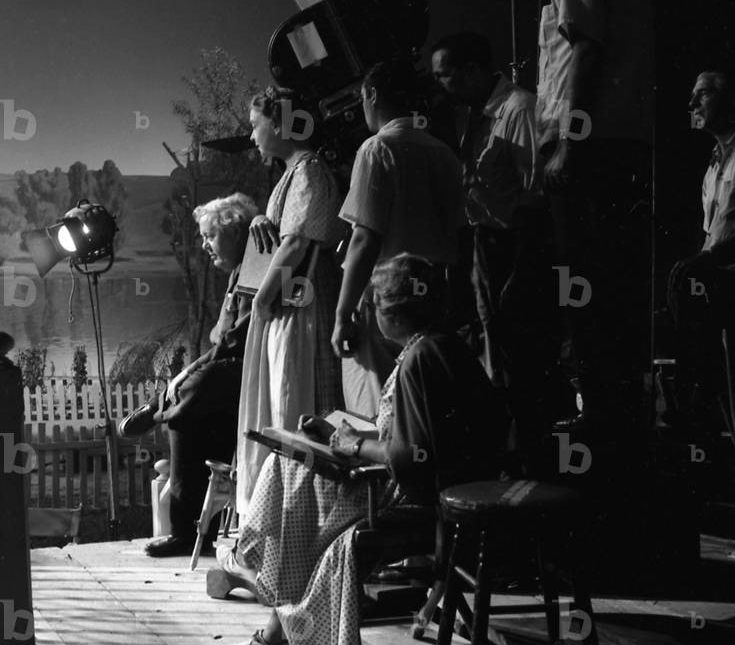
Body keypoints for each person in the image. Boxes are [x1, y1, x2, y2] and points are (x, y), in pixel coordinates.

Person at [221, 257, 503, 645]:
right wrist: (348, 432)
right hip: (439, 487)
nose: (365, 316)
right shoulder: (441, 346)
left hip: (417, 500)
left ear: (391, 314)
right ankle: (281, 623)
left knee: (290, 474)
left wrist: (355, 445)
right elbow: (418, 436)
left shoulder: (417, 360)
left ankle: (285, 628)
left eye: (370, 306)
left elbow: (411, 458)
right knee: (293, 470)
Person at [531, 0, 654, 443]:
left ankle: (599, 420)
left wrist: (568, 143)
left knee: (582, 283)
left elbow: (586, 53)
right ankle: (621, 414)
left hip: (591, 147)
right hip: (625, 144)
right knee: (617, 285)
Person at [430, 32, 558, 471]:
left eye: (445, 75)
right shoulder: (475, 116)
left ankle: (533, 464)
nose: (440, 86)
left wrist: (521, 269)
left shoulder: (518, 109)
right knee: (494, 354)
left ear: (472, 71)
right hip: (485, 246)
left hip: (514, 248)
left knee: (522, 359)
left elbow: (534, 194)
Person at [119, 193, 257, 557]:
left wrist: (185, 378)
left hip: (250, 376)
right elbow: (220, 346)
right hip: (225, 376)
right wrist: (182, 377)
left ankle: (158, 408)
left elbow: (233, 342)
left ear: (237, 234)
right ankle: (187, 532)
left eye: (211, 236)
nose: (205, 245)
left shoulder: (255, 273)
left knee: (192, 394)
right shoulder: (237, 274)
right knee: (186, 414)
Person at [332, 60, 464, 418]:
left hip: (384, 300)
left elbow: (365, 237)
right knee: (420, 404)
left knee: (373, 409)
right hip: (433, 299)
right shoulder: (445, 155)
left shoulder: (377, 149)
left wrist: (343, 314)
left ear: (372, 94)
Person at [233, 87, 344, 514]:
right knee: (282, 395)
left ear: (279, 124)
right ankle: (279, 513)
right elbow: (285, 232)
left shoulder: (310, 169)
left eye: (255, 125)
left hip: (303, 304)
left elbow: (296, 243)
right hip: (291, 303)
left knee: (296, 393)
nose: (252, 135)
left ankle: (301, 514)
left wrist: (262, 300)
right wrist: (263, 217)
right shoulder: (293, 174)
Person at [667, 65, 735, 422]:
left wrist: (707, 261)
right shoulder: (712, 165)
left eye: (704, 92)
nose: (692, 101)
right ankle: (696, 392)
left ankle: (696, 392)